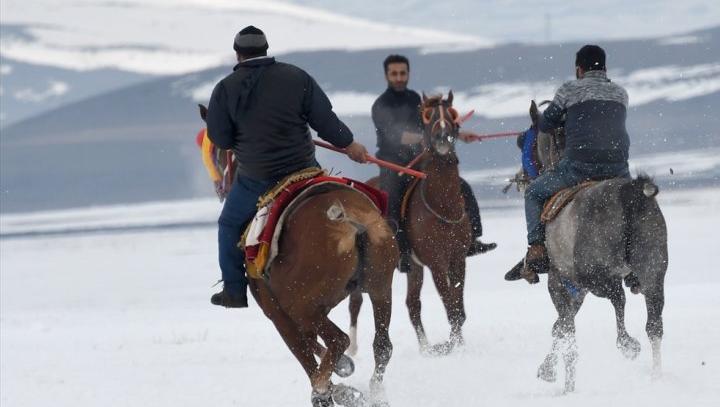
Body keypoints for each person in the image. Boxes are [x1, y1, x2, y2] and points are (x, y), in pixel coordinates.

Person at [206, 26, 369, 307]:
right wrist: (350, 144)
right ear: (266, 50)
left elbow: (220, 139)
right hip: (304, 170)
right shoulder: (296, 76)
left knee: (229, 224)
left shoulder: (225, 89)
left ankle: (234, 291)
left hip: (257, 178)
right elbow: (325, 121)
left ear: (238, 54)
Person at [504, 44, 631, 282]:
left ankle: (537, 249)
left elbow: (546, 125)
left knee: (532, 192)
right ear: (605, 68)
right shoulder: (621, 93)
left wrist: (544, 118)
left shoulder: (570, 90)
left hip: (579, 168)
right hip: (618, 169)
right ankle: (634, 256)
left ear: (579, 70)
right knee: (634, 202)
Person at [371, 54, 496, 272]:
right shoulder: (380, 105)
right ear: (386, 76)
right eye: (394, 73)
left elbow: (434, 129)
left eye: (403, 73)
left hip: (420, 161)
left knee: (461, 186)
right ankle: (400, 250)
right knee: (392, 195)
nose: (399, 77)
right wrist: (424, 139)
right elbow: (394, 135)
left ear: (408, 74)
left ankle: (473, 239)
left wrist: (459, 134)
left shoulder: (416, 101)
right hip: (393, 163)